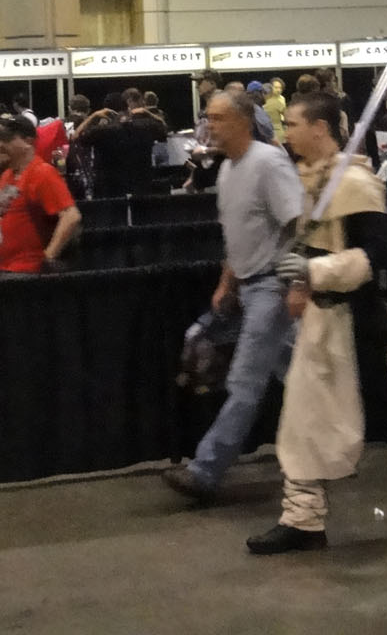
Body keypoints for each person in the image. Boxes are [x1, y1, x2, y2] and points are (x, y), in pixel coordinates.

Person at [246, 90, 387, 553]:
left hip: (357, 323)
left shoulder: (356, 184)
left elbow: (376, 258)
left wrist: (314, 272)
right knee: (302, 421)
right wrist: (301, 279)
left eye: (296, 124)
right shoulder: (309, 180)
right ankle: (303, 519)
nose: (288, 133)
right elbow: (311, 245)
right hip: (322, 320)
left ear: (320, 128)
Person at [162, 90, 303, 503]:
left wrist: (297, 283)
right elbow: (238, 235)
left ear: (243, 121)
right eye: (207, 118)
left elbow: (299, 225)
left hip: (273, 285)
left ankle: (205, 471)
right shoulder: (227, 171)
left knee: (244, 380)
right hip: (252, 285)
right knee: (297, 374)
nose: (209, 126)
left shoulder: (268, 163)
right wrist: (229, 281)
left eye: (217, 118)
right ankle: (333, 445)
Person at [0, 114, 81, 276]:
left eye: (6, 139)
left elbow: (71, 216)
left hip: (28, 272)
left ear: (28, 141)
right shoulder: (6, 176)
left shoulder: (42, 173)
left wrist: (48, 257)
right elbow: (0, 221)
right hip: (5, 269)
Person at [74, 90, 167, 198]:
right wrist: (148, 112)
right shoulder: (145, 126)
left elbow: (76, 137)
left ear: (106, 111)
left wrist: (93, 116)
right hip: (140, 183)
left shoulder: (101, 131)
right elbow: (164, 128)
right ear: (127, 107)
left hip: (110, 187)